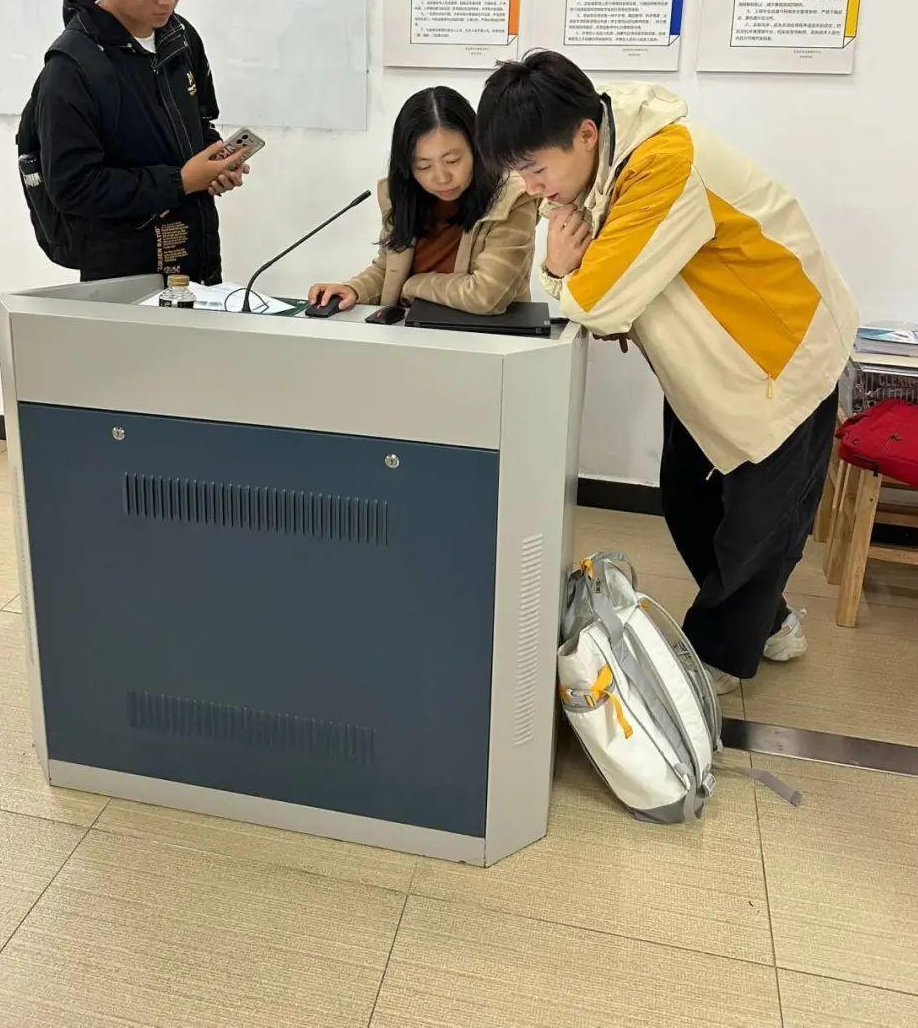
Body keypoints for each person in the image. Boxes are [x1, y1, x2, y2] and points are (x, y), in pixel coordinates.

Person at [477, 50, 857, 692]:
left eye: (536, 169)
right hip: (707, 363)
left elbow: (596, 300)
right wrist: (577, 267)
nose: (533, 188)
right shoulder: (599, 155)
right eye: (519, 172)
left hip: (782, 360)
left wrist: (556, 269)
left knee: (759, 528)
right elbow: (591, 266)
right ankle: (769, 621)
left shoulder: (665, 163)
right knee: (686, 499)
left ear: (586, 135)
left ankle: (712, 665)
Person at [22, 0, 246, 284]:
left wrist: (214, 165)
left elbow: (199, 122)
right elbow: (73, 188)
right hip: (122, 274)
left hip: (195, 256)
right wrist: (181, 181)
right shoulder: (72, 69)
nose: (168, 0)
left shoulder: (180, 36)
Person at [309, 86, 537, 315]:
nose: (441, 178)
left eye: (452, 161)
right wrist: (353, 290)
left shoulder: (513, 197)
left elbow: (487, 296)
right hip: (409, 331)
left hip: (481, 334)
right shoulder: (404, 195)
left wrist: (413, 286)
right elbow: (389, 270)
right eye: (424, 166)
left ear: (477, 149)